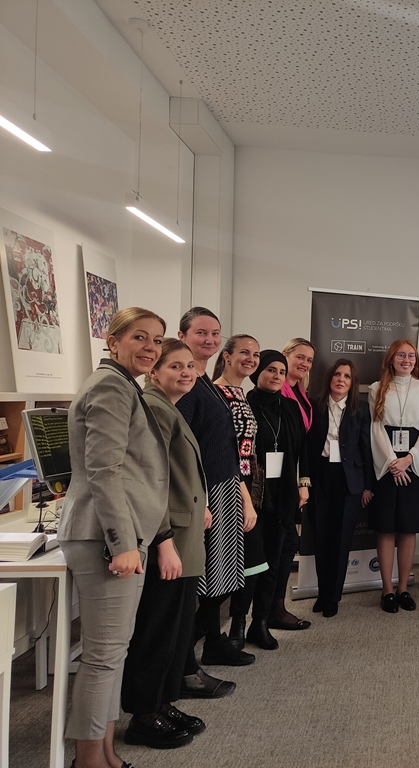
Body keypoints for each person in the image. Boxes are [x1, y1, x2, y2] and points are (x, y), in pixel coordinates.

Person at [58, 307, 170, 768]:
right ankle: (88, 760)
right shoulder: (110, 386)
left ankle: (105, 753)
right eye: (139, 337)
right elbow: (104, 470)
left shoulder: (124, 385)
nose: (150, 347)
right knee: (103, 656)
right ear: (113, 340)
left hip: (120, 534)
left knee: (114, 652)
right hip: (106, 538)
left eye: (157, 340)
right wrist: (122, 543)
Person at [121, 338, 210, 749]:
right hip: (169, 539)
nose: (186, 372)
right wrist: (164, 541)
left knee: (177, 628)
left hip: (184, 533)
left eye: (190, 366)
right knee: (157, 630)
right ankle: (144, 715)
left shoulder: (169, 406)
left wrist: (201, 504)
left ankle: (163, 702)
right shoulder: (154, 407)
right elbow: (150, 481)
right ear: (154, 371)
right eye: (175, 365)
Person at [176, 307, 257, 672]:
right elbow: (182, 448)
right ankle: (194, 649)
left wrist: (240, 493)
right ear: (182, 337)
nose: (209, 339)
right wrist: (200, 499)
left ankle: (213, 641)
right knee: (207, 574)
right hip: (204, 491)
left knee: (221, 573)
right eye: (201, 333)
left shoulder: (204, 381)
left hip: (224, 487)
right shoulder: (185, 383)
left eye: (214, 333)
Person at [246, 350, 309, 647]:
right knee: (255, 561)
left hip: (284, 492)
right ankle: (242, 623)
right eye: (270, 369)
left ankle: (265, 617)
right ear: (256, 371)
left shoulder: (290, 407)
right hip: (254, 495)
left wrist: (303, 484)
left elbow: (302, 450)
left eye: (281, 372)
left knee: (279, 555)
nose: (276, 376)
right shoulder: (246, 404)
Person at [368, 339, 419, 613]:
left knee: (408, 528)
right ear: (391, 359)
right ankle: (387, 589)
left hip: (415, 463)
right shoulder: (376, 389)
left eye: (411, 356)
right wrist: (392, 462)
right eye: (401, 355)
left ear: (416, 361)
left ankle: (404, 588)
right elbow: (375, 428)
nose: (406, 360)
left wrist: (409, 459)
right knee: (386, 528)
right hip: (386, 464)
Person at [212, 334, 268, 649]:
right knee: (234, 564)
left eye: (256, 354)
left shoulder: (240, 393)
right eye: (244, 352)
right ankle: (219, 635)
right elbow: (227, 453)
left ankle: (237, 628)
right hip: (229, 487)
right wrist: (244, 497)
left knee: (253, 564)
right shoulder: (217, 394)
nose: (251, 359)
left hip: (246, 485)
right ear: (227, 356)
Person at [306, 358, 373, 618]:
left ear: (352, 383)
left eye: (346, 376)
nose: (341, 380)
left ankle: (333, 597)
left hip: (349, 480)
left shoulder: (360, 409)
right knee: (321, 537)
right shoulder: (314, 405)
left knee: (341, 539)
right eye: (337, 374)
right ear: (329, 378)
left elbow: (366, 448)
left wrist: (367, 486)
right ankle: (322, 593)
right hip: (320, 476)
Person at [269, 337, 316, 630]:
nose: (304, 363)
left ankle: (276, 607)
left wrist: (303, 482)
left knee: (287, 547)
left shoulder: (299, 392)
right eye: (300, 357)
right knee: (279, 548)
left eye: (309, 360)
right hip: (277, 484)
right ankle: (268, 611)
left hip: (292, 480)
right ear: (285, 355)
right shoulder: (277, 391)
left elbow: (300, 444)